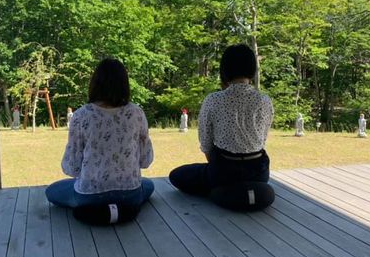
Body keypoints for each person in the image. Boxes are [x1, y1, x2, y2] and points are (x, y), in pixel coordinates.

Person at [46, 58, 155, 223]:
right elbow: (146, 160)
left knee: (52, 191)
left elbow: (72, 168)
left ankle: (98, 212)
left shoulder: (82, 115)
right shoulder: (136, 113)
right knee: (148, 185)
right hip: (129, 194)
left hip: (90, 195)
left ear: (95, 83)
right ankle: (119, 211)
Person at [169, 44, 275, 211]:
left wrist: (217, 167)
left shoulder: (214, 99)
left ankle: (220, 191)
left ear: (224, 70)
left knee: (176, 175)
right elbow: (263, 138)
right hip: (259, 172)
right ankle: (244, 193)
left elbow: (206, 143)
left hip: (223, 172)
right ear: (252, 70)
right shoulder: (264, 100)